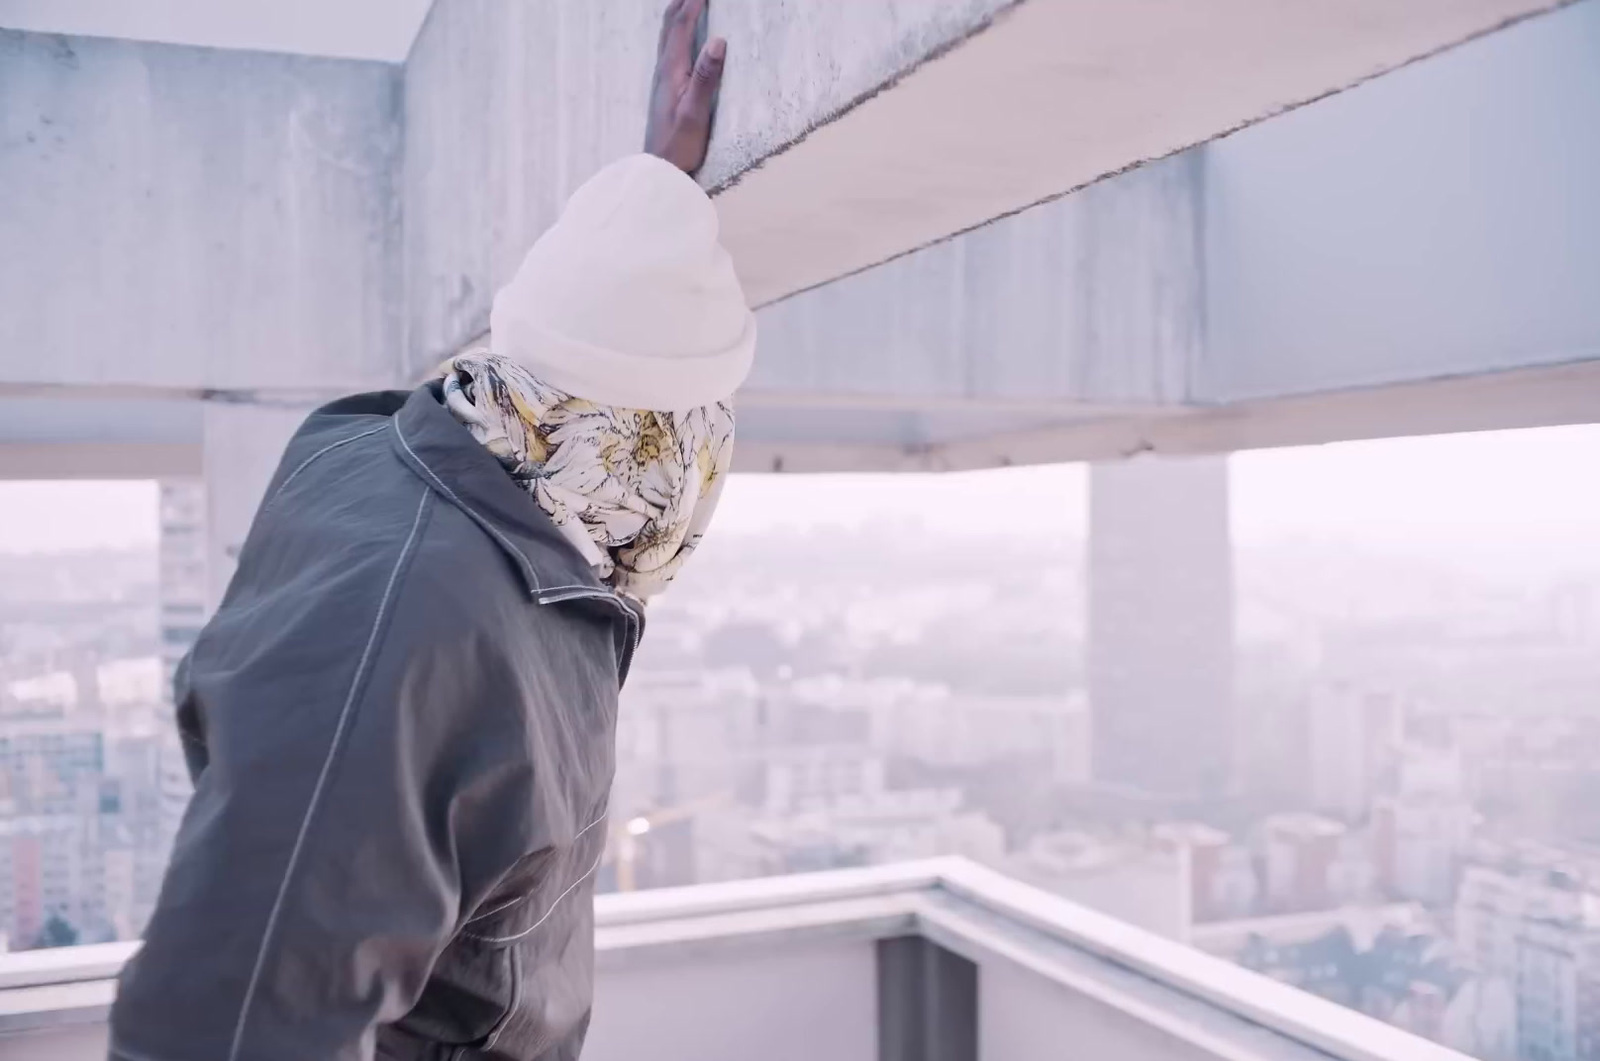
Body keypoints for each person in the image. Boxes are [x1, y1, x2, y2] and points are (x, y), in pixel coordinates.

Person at [107, 3, 749, 1059]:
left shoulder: (437, 464)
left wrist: (645, 208)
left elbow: (585, 355)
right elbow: (218, 1024)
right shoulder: (413, 625)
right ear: (649, 440)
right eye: (700, 427)